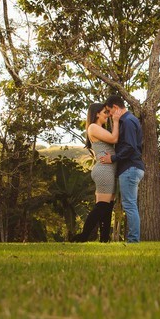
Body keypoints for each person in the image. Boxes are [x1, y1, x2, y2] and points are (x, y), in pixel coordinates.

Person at [99, 95, 145, 243]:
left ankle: (133, 240)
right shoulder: (129, 120)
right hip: (132, 167)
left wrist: (112, 158)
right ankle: (133, 239)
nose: (109, 114)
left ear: (115, 107)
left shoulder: (128, 121)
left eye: (109, 111)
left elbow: (130, 147)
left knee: (129, 205)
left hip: (130, 167)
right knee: (130, 204)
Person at [72, 102, 116, 242]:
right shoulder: (93, 127)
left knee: (108, 207)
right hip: (104, 170)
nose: (107, 115)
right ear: (97, 113)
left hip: (109, 170)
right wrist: (116, 121)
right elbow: (114, 138)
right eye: (105, 112)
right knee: (102, 206)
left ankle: (104, 240)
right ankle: (83, 236)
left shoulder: (100, 129)